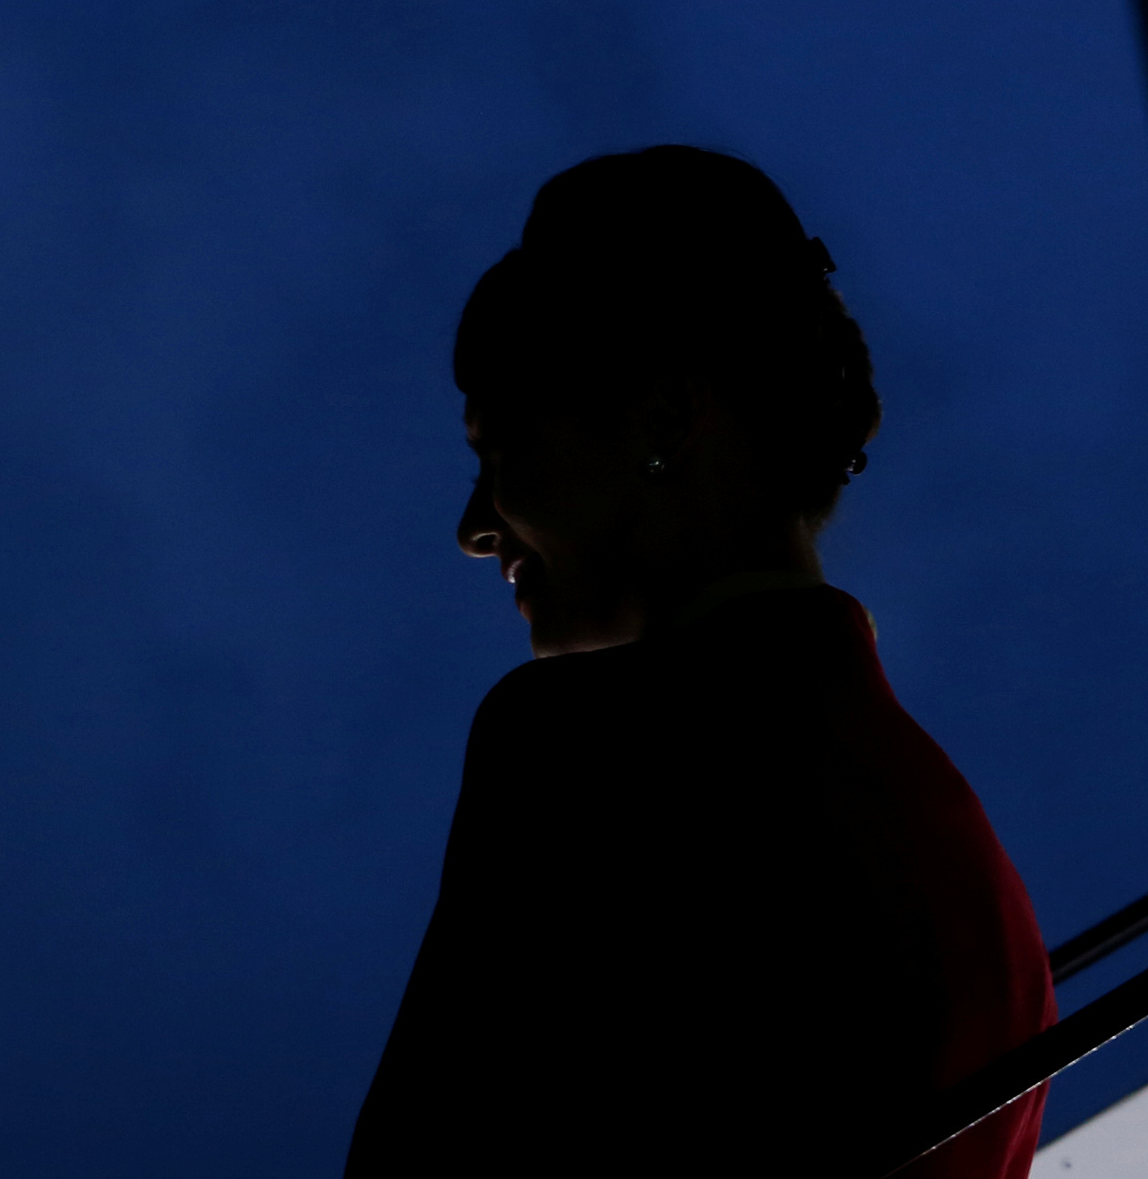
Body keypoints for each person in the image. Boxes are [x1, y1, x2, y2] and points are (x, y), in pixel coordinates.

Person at [346, 146, 1055, 1178]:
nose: (471, 525)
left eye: (497, 450)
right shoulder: (974, 872)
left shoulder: (576, 750)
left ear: (664, 415)